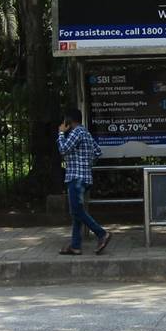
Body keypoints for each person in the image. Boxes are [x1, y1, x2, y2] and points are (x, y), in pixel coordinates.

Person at [57, 107, 110, 255]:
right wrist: (86, 163)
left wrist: (61, 133)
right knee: (76, 213)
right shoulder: (85, 132)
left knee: (77, 211)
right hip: (85, 178)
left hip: (76, 178)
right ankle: (75, 246)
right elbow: (98, 151)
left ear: (69, 120)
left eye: (65, 120)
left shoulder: (76, 132)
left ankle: (101, 234)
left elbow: (63, 149)